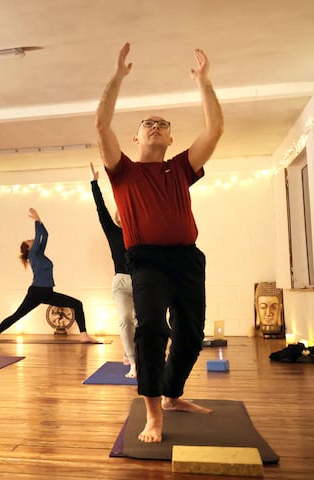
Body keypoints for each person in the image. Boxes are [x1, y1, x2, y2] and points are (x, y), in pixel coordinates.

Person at [95, 43, 224, 443]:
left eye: (162, 124)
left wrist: (204, 83)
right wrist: (117, 78)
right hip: (146, 260)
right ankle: (153, 413)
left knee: (191, 332)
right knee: (150, 327)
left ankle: (171, 395)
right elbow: (101, 126)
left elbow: (215, 130)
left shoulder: (181, 167)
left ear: (171, 138)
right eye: (148, 123)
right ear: (135, 137)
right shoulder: (123, 172)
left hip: (187, 259)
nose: (155, 126)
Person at [0, 208, 99, 344]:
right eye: (30, 241)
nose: (33, 240)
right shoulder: (32, 255)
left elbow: (45, 235)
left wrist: (39, 220)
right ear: (29, 248)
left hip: (48, 292)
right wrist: (36, 220)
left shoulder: (40, 253)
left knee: (77, 304)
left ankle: (84, 335)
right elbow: (39, 234)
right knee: (18, 315)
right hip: (36, 292)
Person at [89, 163, 137, 378]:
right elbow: (101, 211)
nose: (122, 218)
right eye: (121, 215)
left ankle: (138, 355)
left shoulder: (140, 234)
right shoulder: (113, 232)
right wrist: (94, 184)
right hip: (120, 283)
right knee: (125, 318)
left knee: (142, 321)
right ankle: (132, 361)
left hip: (141, 281)